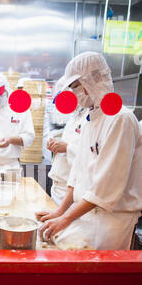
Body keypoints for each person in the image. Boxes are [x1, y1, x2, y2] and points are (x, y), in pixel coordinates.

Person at [37, 51, 142, 250]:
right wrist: (60, 211)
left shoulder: (120, 119)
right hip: (85, 214)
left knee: (100, 277)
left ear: (92, 81)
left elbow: (107, 186)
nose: (74, 92)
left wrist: (66, 218)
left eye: (75, 86)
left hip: (111, 222)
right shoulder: (90, 119)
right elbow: (77, 173)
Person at [47, 77, 88, 205]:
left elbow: (92, 156)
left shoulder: (91, 118)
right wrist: (55, 145)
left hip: (72, 189)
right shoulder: (75, 116)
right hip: (59, 183)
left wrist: (67, 147)